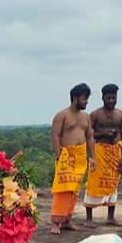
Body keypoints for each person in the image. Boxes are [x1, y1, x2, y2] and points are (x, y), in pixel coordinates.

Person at [50, 84, 96, 234]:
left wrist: (92, 157)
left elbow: (89, 137)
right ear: (75, 98)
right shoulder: (62, 115)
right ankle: (56, 222)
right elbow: (55, 136)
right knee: (62, 189)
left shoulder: (86, 117)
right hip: (66, 155)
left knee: (74, 190)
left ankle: (67, 219)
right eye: (84, 99)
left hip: (80, 156)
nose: (86, 102)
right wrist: (58, 156)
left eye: (87, 99)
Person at [84, 84, 122, 226]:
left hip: (115, 152)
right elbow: (88, 135)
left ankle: (110, 217)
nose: (111, 100)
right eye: (108, 98)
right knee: (94, 182)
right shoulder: (95, 114)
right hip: (99, 152)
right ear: (102, 98)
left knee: (113, 183)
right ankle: (89, 218)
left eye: (113, 98)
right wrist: (103, 133)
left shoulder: (121, 115)